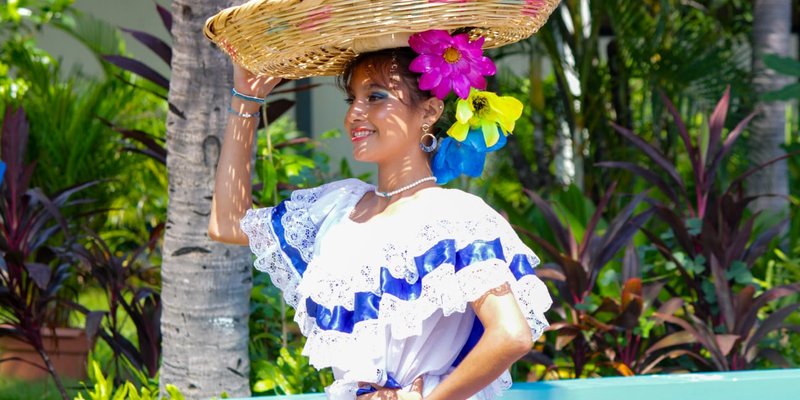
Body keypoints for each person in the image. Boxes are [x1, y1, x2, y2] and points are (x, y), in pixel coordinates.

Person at [205, 2, 557, 399]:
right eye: (352, 99)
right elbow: (227, 223)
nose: (355, 113)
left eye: (375, 96)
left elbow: (511, 336)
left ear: (430, 111)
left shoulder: (457, 217)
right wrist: (245, 101)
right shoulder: (338, 210)